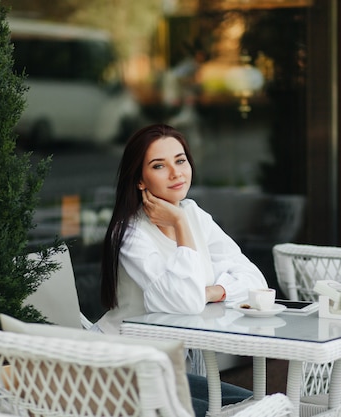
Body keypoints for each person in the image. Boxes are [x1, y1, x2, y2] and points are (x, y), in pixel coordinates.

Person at [93, 123, 270, 417]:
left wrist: (213, 291)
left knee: (259, 405)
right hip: (120, 370)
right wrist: (179, 223)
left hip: (164, 368)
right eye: (159, 166)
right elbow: (187, 304)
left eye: (180, 160)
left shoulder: (193, 213)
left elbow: (254, 279)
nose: (176, 173)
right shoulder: (130, 235)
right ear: (140, 180)